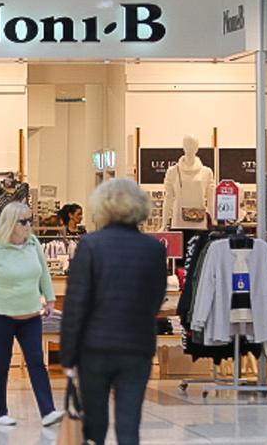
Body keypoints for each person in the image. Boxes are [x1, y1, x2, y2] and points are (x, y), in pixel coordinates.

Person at [60, 179, 167, 445]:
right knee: (129, 424)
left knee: (94, 425)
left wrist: (68, 356)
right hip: (136, 347)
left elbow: (76, 304)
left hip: (95, 348)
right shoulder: (154, 249)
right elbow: (155, 299)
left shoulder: (91, 245)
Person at [0, 202, 65, 427]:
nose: (29, 226)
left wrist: (50, 299)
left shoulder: (33, 243)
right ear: (11, 223)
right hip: (0, 314)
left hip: (30, 314)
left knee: (37, 362)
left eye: (31, 220)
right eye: (23, 222)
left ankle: (48, 411)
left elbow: (43, 272)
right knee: (2, 361)